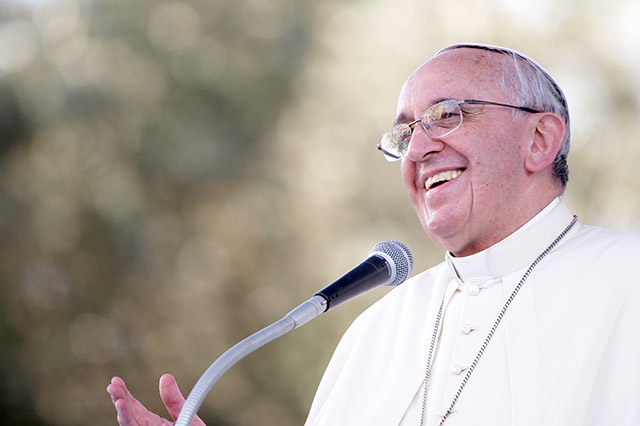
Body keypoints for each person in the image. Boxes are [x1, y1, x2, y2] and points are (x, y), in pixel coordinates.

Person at [108, 44, 640, 425]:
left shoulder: (628, 278)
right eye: (404, 133)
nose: (418, 148)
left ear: (540, 140)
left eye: (448, 115)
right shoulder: (374, 331)